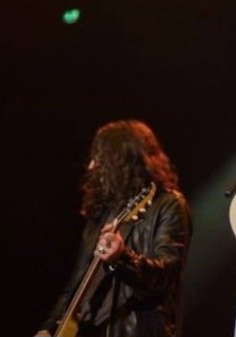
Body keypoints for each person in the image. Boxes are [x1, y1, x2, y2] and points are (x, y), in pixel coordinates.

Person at [37, 119, 192, 337]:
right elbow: (76, 284)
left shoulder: (167, 205)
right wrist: (49, 326)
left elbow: (168, 276)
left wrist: (123, 258)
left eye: (100, 158)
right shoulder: (101, 214)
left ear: (122, 161)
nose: (92, 166)